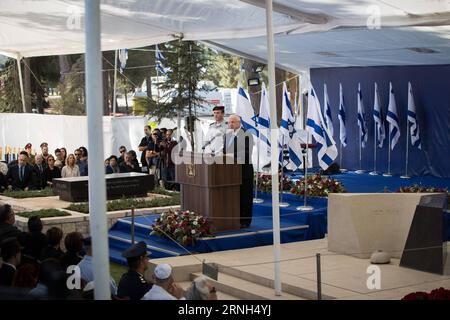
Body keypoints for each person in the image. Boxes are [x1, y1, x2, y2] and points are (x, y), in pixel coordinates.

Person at [223, 115, 254, 228]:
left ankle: (245, 221)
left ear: (238, 122)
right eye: (229, 122)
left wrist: (229, 155)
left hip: (244, 171)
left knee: (245, 197)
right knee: (236, 197)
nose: (230, 124)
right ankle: (235, 218)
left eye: (232, 122)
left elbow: (246, 152)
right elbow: (224, 151)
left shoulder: (246, 134)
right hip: (231, 172)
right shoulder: (227, 135)